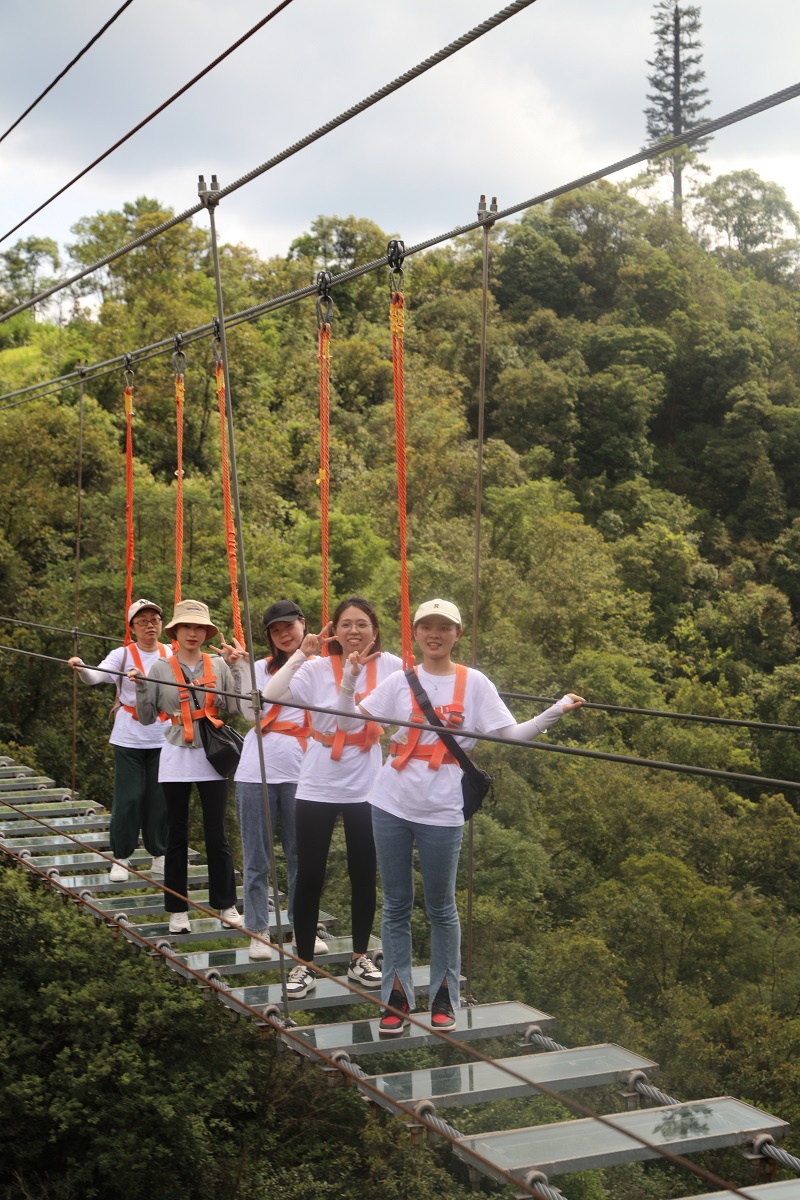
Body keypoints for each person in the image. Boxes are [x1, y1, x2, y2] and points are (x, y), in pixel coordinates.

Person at [336, 598, 584, 1036]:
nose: (435, 634)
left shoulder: (475, 684)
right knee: (395, 904)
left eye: (444, 627)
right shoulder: (399, 681)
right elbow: (349, 723)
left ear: (457, 634)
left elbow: (513, 735)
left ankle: (444, 997)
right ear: (416, 633)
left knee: (441, 907)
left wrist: (555, 711)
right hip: (390, 801)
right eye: (427, 626)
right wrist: (350, 677)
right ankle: (395, 998)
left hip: (442, 809)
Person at [261, 596, 402, 998]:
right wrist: (300, 656)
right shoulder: (318, 667)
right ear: (333, 632)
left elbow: (418, 696)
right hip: (319, 779)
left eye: (362, 624)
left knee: (363, 872)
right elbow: (271, 694)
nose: (354, 631)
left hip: (368, 782)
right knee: (309, 874)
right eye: (345, 625)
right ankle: (303, 963)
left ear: (375, 630)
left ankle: (360, 956)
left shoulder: (390, 666)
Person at [129, 599, 246, 935]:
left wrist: (236, 668)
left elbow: (234, 707)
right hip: (177, 753)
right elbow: (147, 717)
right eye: (187, 627)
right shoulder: (161, 669)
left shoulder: (217, 665)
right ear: (176, 631)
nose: (193, 633)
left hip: (212, 755)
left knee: (216, 833)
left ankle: (225, 904)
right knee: (176, 835)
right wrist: (140, 687)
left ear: (205, 632)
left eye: (199, 628)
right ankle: (177, 910)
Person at [235, 600, 324, 962]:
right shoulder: (259, 668)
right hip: (257, 770)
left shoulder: (322, 668)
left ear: (303, 624)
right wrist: (241, 668)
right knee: (257, 857)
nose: (284, 634)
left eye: (289, 626)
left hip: (304, 772)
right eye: (276, 630)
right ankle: (257, 929)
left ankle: (304, 927)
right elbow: (246, 710)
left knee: (302, 855)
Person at [68, 598, 171, 882]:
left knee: (159, 799)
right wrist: (81, 667)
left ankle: (159, 855)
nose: (150, 625)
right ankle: (122, 858)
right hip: (130, 737)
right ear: (133, 628)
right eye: (143, 622)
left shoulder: (171, 652)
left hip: (163, 736)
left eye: (154, 620)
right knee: (129, 798)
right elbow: (96, 676)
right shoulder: (122, 655)